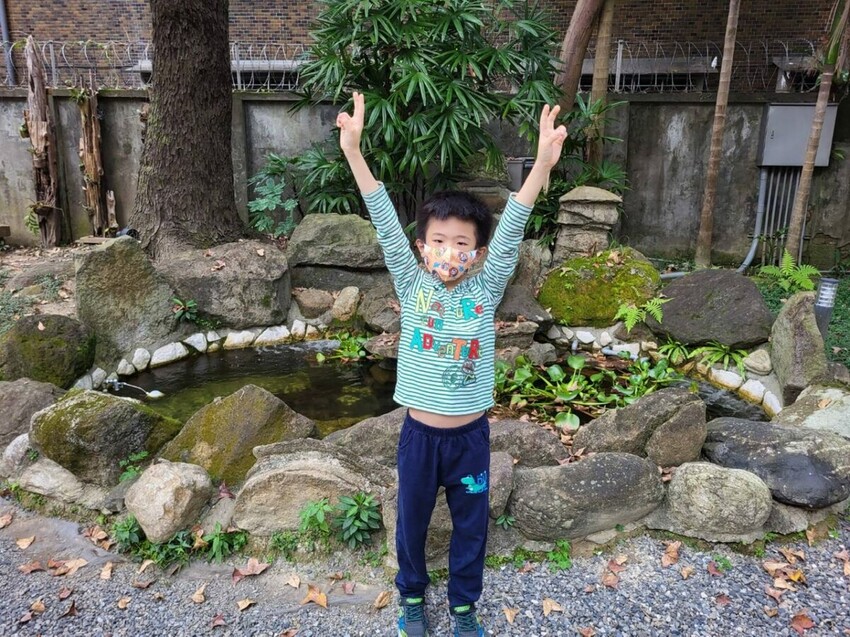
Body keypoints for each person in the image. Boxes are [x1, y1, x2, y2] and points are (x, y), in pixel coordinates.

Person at [337, 91, 567, 637]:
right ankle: (412, 599)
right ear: (421, 247)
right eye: (438, 240)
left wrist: (541, 165)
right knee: (411, 525)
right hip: (418, 437)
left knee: (471, 529)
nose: (448, 249)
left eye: (461, 242)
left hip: (470, 439)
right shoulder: (411, 282)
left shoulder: (486, 287)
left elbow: (511, 229)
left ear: (477, 253)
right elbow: (382, 217)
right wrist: (354, 152)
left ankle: (464, 607)